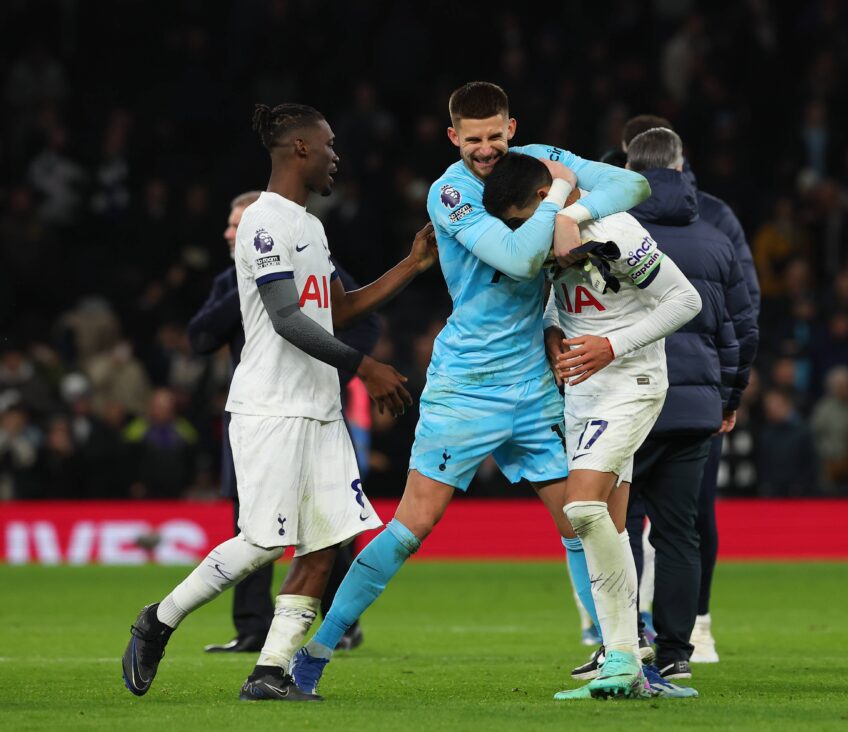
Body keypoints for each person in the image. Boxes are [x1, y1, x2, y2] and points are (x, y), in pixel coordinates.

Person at [290, 81, 652, 701]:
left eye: (494, 137)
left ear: (511, 129)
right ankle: (312, 657)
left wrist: (567, 210)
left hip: (535, 385)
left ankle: (614, 650)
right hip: (466, 386)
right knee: (412, 526)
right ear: (453, 137)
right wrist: (561, 196)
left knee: (582, 521)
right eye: (473, 139)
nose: (485, 150)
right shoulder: (450, 191)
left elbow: (633, 186)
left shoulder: (537, 162)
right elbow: (515, 258)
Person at [121, 102, 437, 703]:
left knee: (324, 543)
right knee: (263, 541)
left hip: (319, 409)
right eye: (329, 144)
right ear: (299, 149)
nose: (336, 155)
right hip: (269, 406)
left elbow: (338, 310)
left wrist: (412, 266)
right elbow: (288, 320)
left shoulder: (311, 226)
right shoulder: (264, 223)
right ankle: (157, 620)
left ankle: (269, 673)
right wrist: (364, 366)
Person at [483, 152, 703, 698]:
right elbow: (564, 298)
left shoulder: (615, 231)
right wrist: (555, 331)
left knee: (581, 508)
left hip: (631, 384)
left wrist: (612, 345)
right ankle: (627, 661)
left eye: (518, 219)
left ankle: (625, 659)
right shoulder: (553, 234)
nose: (519, 233)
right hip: (583, 391)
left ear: (541, 198)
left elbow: (685, 299)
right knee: (611, 524)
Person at [187, 191, 378, 654]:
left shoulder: (311, 260)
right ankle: (252, 629)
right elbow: (198, 338)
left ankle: (340, 621)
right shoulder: (229, 281)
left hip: (315, 406)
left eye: (238, 226)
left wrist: (349, 366)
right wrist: (255, 286)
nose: (231, 234)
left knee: (329, 522)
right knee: (249, 522)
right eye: (231, 228)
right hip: (257, 410)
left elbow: (361, 323)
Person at [620, 115, 761, 663]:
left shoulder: (607, 228)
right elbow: (742, 326)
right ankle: (679, 650)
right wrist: (730, 397)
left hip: (626, 399)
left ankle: (624, 643)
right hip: (695, 406)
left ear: (629, 167)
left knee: (619, 527)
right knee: (682, 531)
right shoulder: (716, 233)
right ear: (681, 167)